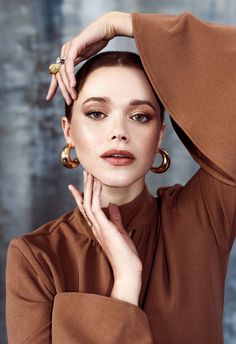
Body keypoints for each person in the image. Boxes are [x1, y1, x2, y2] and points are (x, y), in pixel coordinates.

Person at [5, 11, 236, 344]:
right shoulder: (36, 258)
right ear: (68, 132)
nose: (119, 133)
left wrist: (119, 24)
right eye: (97, 113)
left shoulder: (203, 217)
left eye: (140, 116)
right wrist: (126, 284)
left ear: (159, 135)